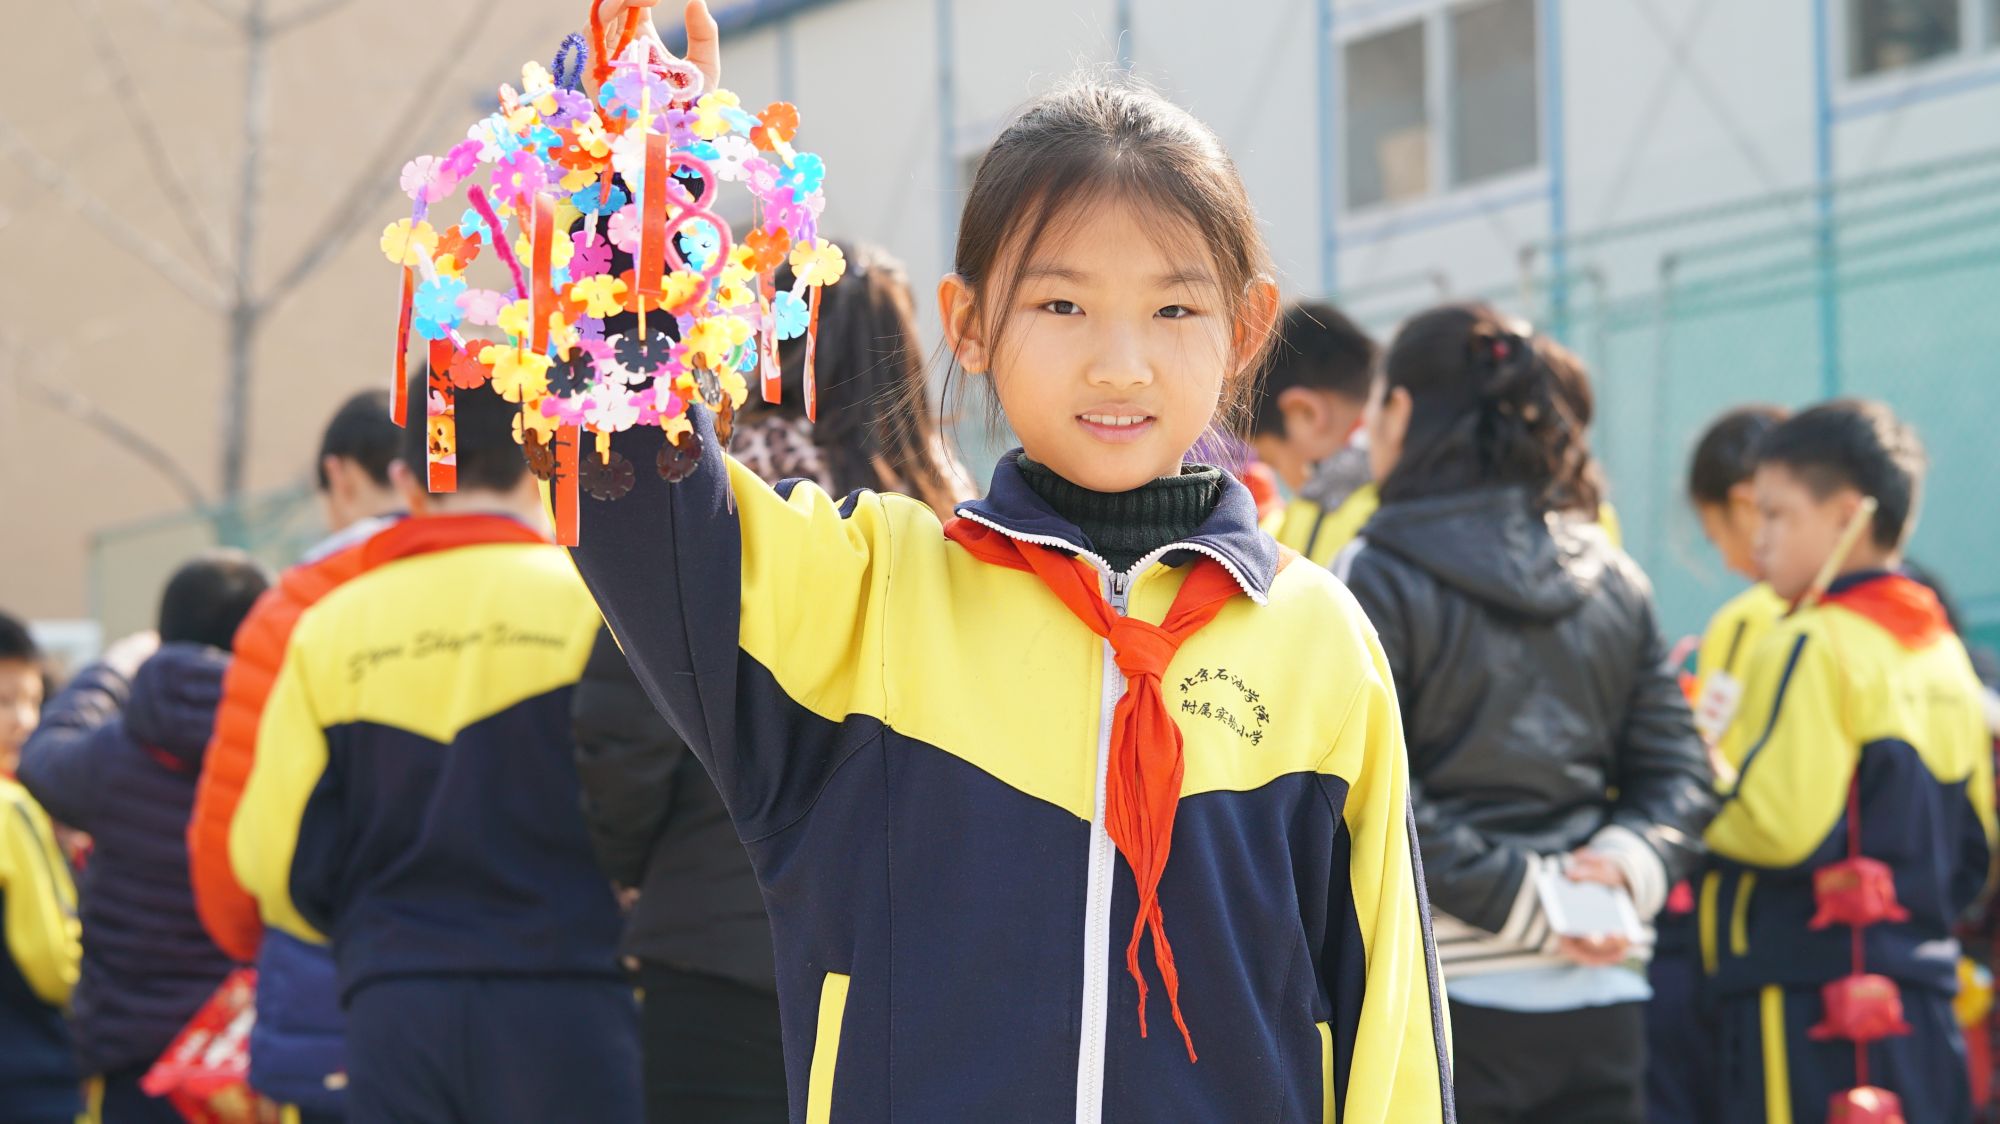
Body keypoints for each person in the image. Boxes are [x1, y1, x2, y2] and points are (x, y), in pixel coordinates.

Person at [570, 9, 1453, 1119]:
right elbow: (639, 511)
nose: (1119, 362)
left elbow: (1393, 1041)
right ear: (970, 323)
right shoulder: (872, 595)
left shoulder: (1320, 640)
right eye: (1060, 303)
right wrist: (627, 218)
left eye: (1174, 307)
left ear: (1243, 327)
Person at [573, 240, 974, 1123]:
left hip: (712, 946)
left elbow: (622, 728)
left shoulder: (695, 500)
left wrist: (634, 864)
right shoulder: (954, 524)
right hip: (898, 951)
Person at [1336, 304, 1715, 1122]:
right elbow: (1680, 770)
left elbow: (1368, 794)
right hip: (1606, 984)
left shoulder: (1369, 573)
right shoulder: (1612, 572)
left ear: (1400, 410)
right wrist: (1620, 866)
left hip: (1443, 990)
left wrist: (1525, 901)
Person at [230, 377, 638, 1122]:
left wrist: (369, 932)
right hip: (573, 994)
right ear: (545, 457)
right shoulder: (597, 605)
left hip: (394, 1000)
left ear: (405, 476)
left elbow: (269, 856)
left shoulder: (329, 628)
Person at [1702, 400, 1995, 1123]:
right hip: (1923, 1000)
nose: (1760, 540)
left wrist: (1685, 787)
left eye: (1777, 515)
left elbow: (1778, 827)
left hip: (1810, 999)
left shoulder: (1810, 641)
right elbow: (1973, 851)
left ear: (1845, 517)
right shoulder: (1944, 652)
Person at [186, 388, 405, 1121]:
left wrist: (261, 942)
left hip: (327, 973)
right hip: (525, 978)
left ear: (340, 475)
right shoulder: (551, 583)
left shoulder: (294, 608)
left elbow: (233, 825)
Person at [19, 554, 270, 1122]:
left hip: (132, 1058)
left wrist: (111, 670)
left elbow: (45, 752)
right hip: (244, 1058)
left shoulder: (114, 754)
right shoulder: (278, 740)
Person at [1646, 404, 1791, 1123]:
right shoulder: (1907, 615)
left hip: (1751, 935)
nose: (1732, 560)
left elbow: (1707, 765)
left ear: (1745, 504)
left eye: (1717, 537)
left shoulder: (1752, 621)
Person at [0, 613, 83, 1124]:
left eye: (32, 701)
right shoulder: (12, 809)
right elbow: (56, 965)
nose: (25, 720)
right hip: (28, 1077)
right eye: (5, 701)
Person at [1249, 301, 1381, 568]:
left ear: (1304, 413)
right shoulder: (1422, 491)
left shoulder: (1321, 509)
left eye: (1272, 461)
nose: (1281, 478)